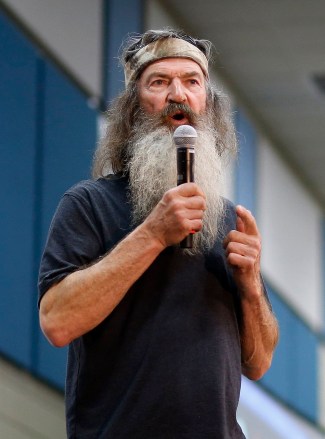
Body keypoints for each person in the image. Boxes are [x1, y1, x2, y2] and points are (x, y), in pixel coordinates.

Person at [38, 29, 279, 438]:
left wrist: (251, 285)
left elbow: (258, 363)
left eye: (191, 81)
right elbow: (57, 321)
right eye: (159, 82)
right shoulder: (88, 204)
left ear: (208, 105)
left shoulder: (227, 221)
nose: (178, 94)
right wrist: (153, 234)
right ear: (134, 109)